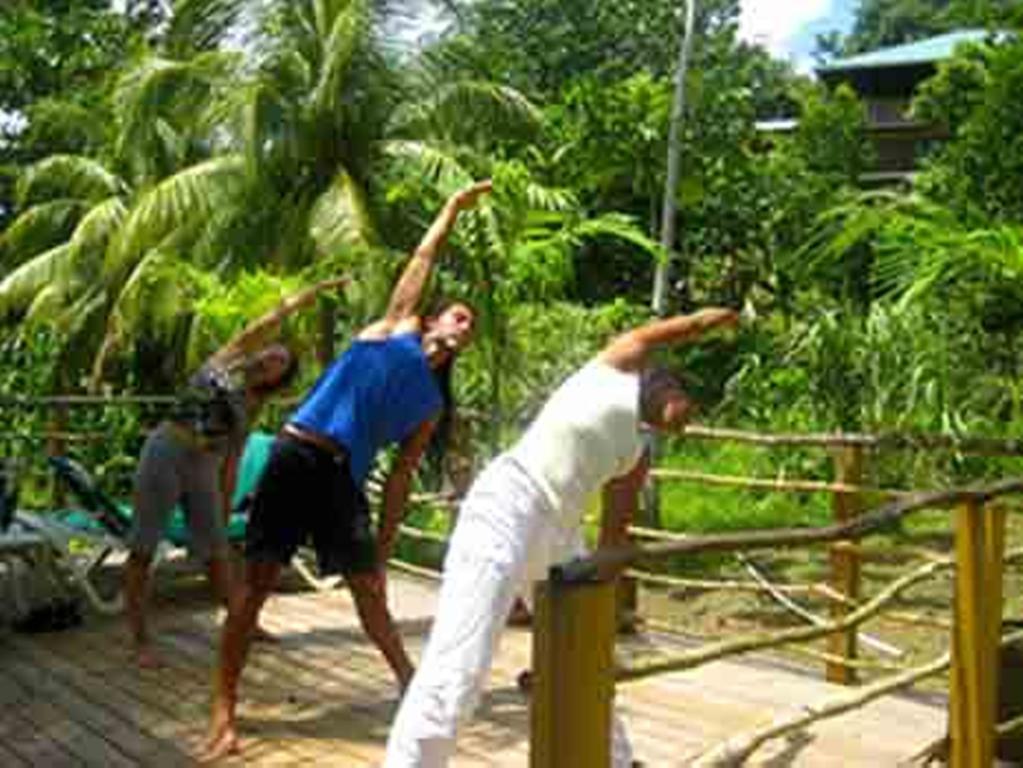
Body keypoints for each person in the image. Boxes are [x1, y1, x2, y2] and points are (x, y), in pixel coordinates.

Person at [201, 179, 493, 761]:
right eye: (458, 317)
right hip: (293, 455)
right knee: (254, 587)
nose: (463, 328)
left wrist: (383, 549)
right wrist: (453, 208)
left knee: (370, 595)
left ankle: (413, 690)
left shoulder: (431, 408)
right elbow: (424, 257)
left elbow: (403, 479)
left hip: (340, 480)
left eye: (470, 328)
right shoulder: (389, 330)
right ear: (433, 320)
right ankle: (223, 712)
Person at [383, 307, 739, 768]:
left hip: (558, 535)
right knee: (458, 668)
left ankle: (616, 761)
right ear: (657, 378)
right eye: (678, 394)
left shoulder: (638, 453)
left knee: (584, 662)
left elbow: (613, 540)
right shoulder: (616, 367)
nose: (682, 415)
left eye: (685, 419)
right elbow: (681, 328)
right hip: (506, 505)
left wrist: (605, 602)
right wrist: (719, 319)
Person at [126, 278, 346, 668]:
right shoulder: (225, 361)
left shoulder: (253, 404)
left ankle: (243, 623)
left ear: (280, 377)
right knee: (144, 547)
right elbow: (265, 322)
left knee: (216, 551)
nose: (268, 359)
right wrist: (309, 295)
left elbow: (234, 457)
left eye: (279, 361)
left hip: (205, 465)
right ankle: (141, 639)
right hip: (167, 448)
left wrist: (225, 506)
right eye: (269, 353)